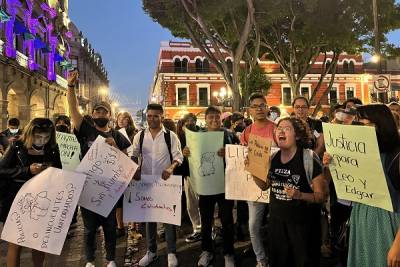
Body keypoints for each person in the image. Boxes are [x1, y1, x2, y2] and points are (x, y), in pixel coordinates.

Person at [67, 71, 131, 267]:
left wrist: (116, 148)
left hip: (109, 188)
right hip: (88, 187)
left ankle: (111, 259)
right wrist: (70, 87)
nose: (100, 114)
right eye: (97, 112)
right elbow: (74, 111)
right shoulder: (86, 129)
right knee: (89, 229)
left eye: (104, 112)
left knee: (110, 226)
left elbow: (126, 162)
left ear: (109, 116)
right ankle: (90, 261)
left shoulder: (118, 135)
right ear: (93, 115)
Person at [325, 105, 400, 267]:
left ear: (380, 125)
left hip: (388, 225)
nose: (356, 129)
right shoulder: (359, 152)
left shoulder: (396, 156)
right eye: (356, 124)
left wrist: (397, 246)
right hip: (361, 219)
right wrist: (334, 163)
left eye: (361, 124)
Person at [254, 117, 328, 267]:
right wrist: (254, 170)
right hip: (277, 225)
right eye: (279, 128)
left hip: (303, 228)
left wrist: (300, 195)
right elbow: (264, 186)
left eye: (286, 128)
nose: (280, 130)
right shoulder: (273, 158)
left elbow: (322, 196)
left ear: (298, 135)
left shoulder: (308, 158)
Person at [0, 118, 62, 267]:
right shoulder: (17, 146)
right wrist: (27, 170)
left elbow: (60, 170)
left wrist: (51, 171)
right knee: (16, 242)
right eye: (38, 137)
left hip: (41, 199)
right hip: (17, 198)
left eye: (46, 137)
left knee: (38, 242)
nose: (42, 140)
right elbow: (2, 170)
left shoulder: (52, 148)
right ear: (30, 133)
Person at [184, 106, 239, 267]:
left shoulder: (229, 135)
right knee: (206, 221)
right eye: (211, 117)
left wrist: (228, 152)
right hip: (206, 187)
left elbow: (239, 155)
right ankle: (207, 250)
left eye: (217, 117)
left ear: (221, 118)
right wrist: (186, 151)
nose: (214, 120)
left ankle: (228, 253)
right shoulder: (197, 137)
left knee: (227, 220)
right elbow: (192, 159)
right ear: (206, 120)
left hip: (225, 185)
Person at [131, 103, 183, 267]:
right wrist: (134, 169)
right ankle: (151, 252)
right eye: (149, 116)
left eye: (155, 116)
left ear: (162, 116)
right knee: (150, 220)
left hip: (166, 183)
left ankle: (171, 252)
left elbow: (178, 157)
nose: (152, 119)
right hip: (146, 183)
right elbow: (133, 155)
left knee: (168, 219)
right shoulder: (139, 136)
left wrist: (171, 167)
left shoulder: (170, 136)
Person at [240, 92, 276, 267]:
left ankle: (279, 255)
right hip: (254, 185)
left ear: (267, 108)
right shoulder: (246, 132)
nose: (260, 109)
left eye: (263, 105)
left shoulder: (277, 129)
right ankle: (261, 260)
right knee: (253, 226)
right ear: (250, 111)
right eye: (255, 106)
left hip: (277, 184)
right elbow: (240, 155)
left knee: (277, 224)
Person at [176, 113, 202, 243]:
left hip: (202, 174)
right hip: (188, 174)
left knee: (204, 204)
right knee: (191, 204)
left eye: (193, 120)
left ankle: (208, 229)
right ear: (183, 124)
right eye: (188, 121)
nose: (190, 123)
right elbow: (176, 155)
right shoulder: (178, 137)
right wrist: (182, 152)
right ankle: (197, 229)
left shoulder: (202, 134)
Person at [115, 111, 137, 238]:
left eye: (124, 118)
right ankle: (120, 226)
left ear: (129, 120)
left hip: (132, 168)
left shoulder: (134, 134)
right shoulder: (114, 134)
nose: (121, 120)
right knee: (118, 200)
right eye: (119, 118)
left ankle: (133, 225)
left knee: (132, 197)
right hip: (118, 170)